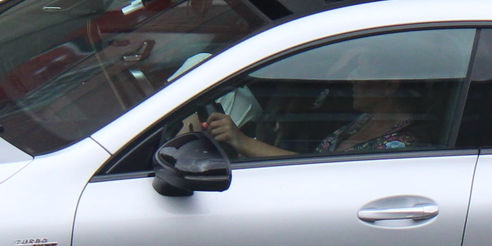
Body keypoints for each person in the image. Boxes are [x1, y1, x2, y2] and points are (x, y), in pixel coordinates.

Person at [184, 77, 434, 160]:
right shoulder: (364, 121)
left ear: (389, 85)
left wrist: (244, 142)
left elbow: (324, 175)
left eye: (363, 69)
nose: (353, 79)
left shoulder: (400, 147)